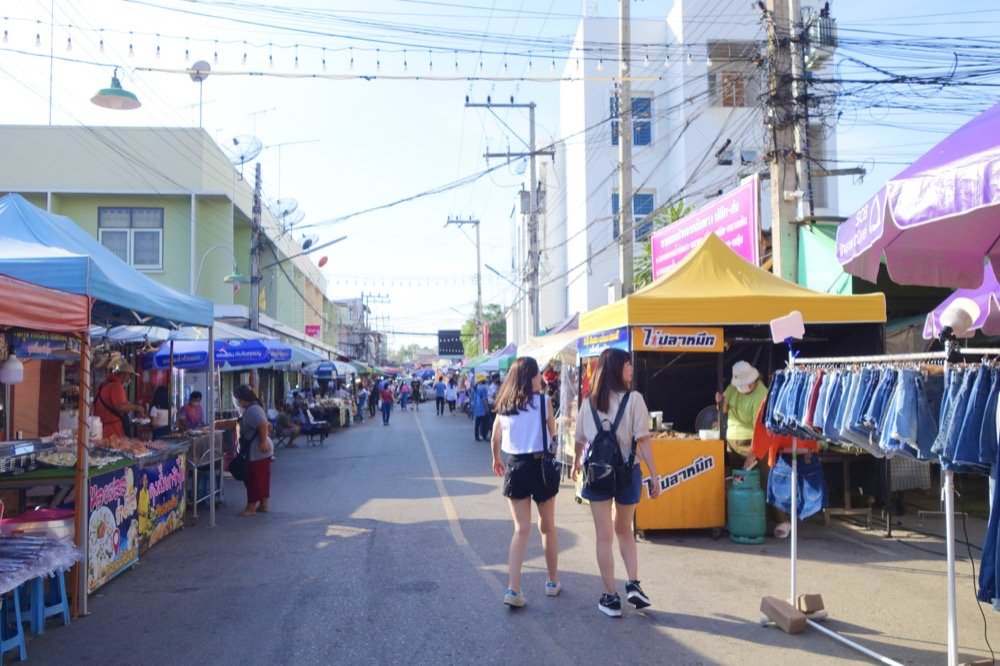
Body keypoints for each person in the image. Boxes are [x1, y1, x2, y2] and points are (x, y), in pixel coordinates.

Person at [573, 348, 661, 618]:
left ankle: (610, 596)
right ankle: (633, 583)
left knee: (603, 536)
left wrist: (577, 463)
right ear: (617, 369)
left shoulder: (588, 403)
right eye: (628, 365)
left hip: (597, 473)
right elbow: (643, 441)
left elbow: (580, 440)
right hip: (627, 472)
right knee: (624, 530)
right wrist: (654, 475)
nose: (631, 370)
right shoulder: (635, 399)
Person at [490, 356, 560, 608]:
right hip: (540, 466)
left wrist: (496, 459)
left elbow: (495, 439)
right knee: (547, 526)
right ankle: (552, 582)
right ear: (530, 376)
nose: (540, 378)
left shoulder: (505, 405)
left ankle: (513, 588)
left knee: (521, 529)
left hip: (515, 466)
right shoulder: (543, 402)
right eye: (537, 374)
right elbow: (552, 433)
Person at [716, 361, 769, 471]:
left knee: (754, 479)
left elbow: (760, 427)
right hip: (732, 439)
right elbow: (723, 409)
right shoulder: (732, 387)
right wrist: (719, 402)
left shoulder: (761, 394)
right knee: (738, 479)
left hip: (751, 440)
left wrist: (753, 453)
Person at [235, 384, 274, 516]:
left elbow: (263, 425)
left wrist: (262, 442)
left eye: (238, 399)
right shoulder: (254, 408)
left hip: (257, 451)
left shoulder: (253, 410)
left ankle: (251, 507)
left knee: (253, 479)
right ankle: (263, 504)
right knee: (262, 478)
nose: (238, 402)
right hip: (261, 450)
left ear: (243, 399)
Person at [94, 359, 145, 439]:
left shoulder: (104, 385)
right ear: (124, 374)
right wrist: (137, 408)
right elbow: (120, 407)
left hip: (102, 427)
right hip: (113, 429)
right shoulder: (116, 386)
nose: (129, 379)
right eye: (130, 375)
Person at [472, 376, 490, 441]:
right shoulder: (483, 388)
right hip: (482, 408)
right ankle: (484, 435)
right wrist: (487, 408)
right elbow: (484, 400)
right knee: (484, 422)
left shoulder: (475, 388)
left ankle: (477, 436)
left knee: (477, 423)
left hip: (476, 408)